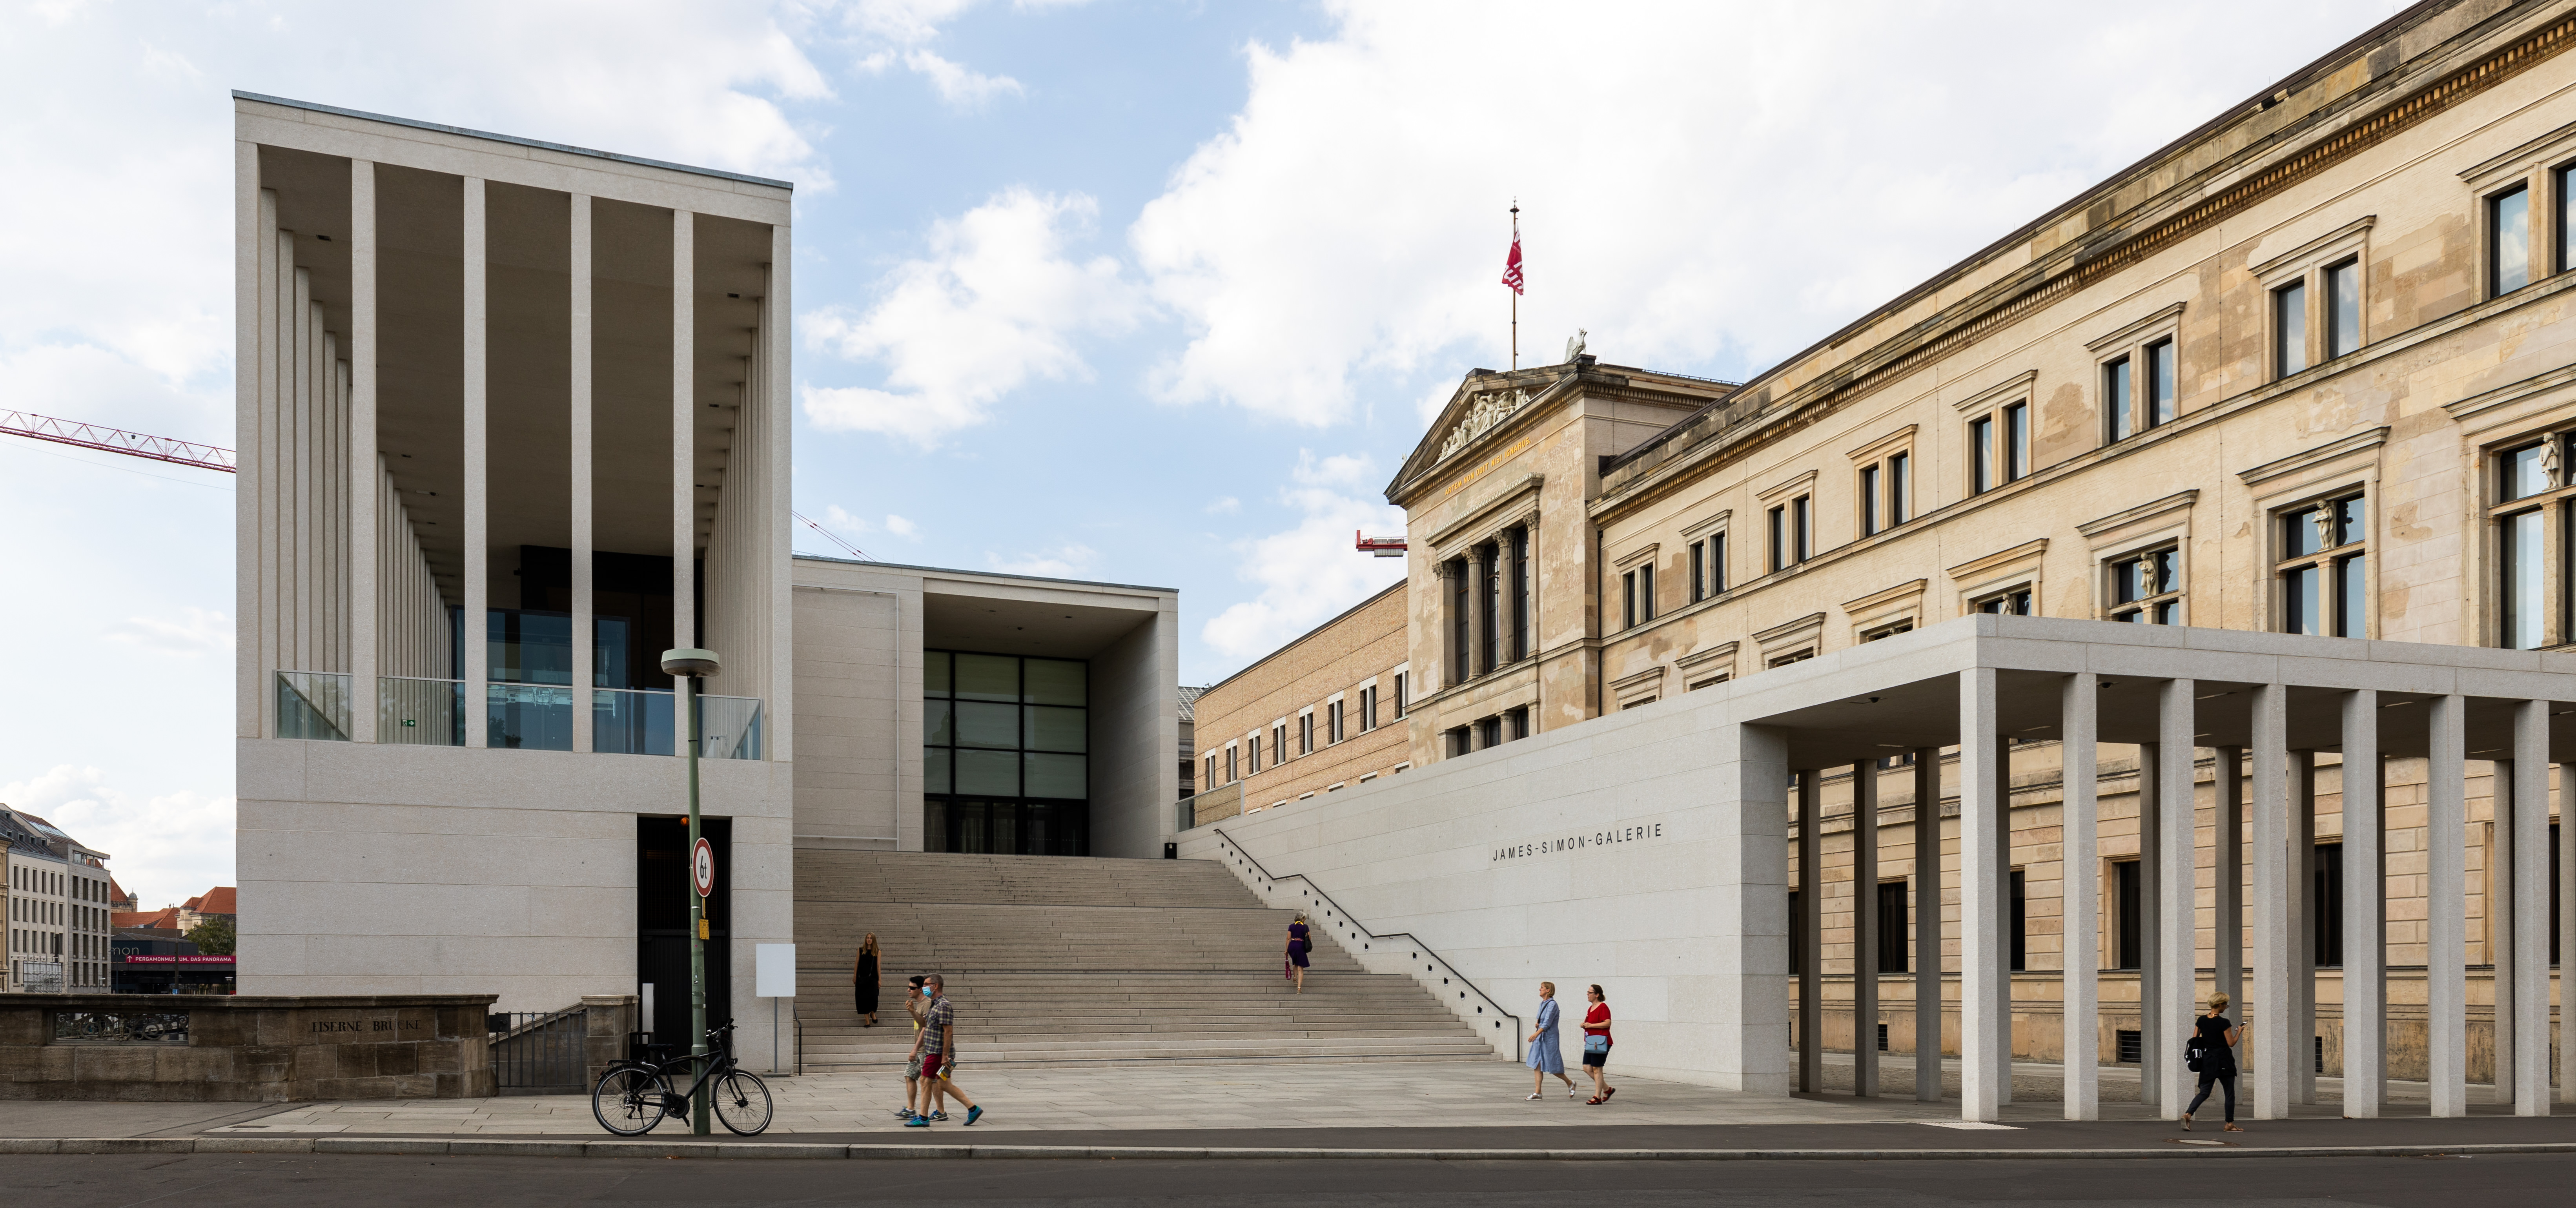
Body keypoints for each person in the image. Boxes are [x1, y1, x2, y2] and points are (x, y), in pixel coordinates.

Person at [905, 974, 984, 1127]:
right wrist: (913, 1012)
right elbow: (925, 1024)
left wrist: (945, 1056)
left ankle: (923, 1118)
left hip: (938, 1052)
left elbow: (948, 1031)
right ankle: (973, 1109)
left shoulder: (943, 1005)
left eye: (926, 984)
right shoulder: (934, 1004)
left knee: (925, 1081)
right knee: (943, 1085)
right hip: (936, 1052)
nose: (924, 988)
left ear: (935, 986)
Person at [2181, 991, 2243, 1132]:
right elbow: (2231, 1043)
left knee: (2204, 1092)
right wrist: (2239, 1031)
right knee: (2229, 1093)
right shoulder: (2224, 1023)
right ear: (2220, 1005)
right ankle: (2229, 1124)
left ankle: (2188, 1114)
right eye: (2225, 1005)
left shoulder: (2201, 1020)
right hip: (2224, 1061)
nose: (2226, 1007)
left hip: (2208, 1060)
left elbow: (2195, 1039)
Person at [1525, 981, 1577, 1100]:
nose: (1540, 989)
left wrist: (1536, 1033)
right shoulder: (1542, 1004)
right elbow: (1542, 1021)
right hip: (1540, 1038)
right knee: (1537, 1064)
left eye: (1542, 988)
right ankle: (1538, 1092)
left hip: (1549, 1039)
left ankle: (1570, 1083)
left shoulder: (1553, 1004)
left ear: (1548, 990)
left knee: (1552, 1065)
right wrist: (1537, 1025)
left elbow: (1548, 1023)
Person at [893, 975, 931, 1121]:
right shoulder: (919, 1004)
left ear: (920, 989)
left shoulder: (927, 1004)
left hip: (925, 1049)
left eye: (912, 988)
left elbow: (925, 1026)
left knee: (933, 1083)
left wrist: (915, 1049)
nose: (909, 990)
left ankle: (940, 1111)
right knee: (909, 1075)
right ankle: (910, 1109)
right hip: (919, 1049)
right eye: (908, 987)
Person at [1580, 984, 1616, 1104]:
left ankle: (1597, 1097)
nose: (1587, 994)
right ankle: (1607, 1089)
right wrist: (1584, 1025)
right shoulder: (1590, 1009)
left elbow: (1607, 1023)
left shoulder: (1603, 1007)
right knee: (1587, 1068)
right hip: (1591, 1042)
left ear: (1597, 995)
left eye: (1590, 993)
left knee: (1597, 1069)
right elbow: (1589, 1023)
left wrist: (1591, 1026)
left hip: (1601, 1043)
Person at [853, 933, 882, 1027]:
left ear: (874, 940)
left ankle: (873, 1013)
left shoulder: (877, 952)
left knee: (874, 998)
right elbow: (857, 963)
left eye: (871, 938)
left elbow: (878, 966)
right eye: (868, 938)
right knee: (863, 999)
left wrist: (880, 980)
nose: (869, 940)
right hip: (862, 978)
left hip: (873, 979)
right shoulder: (860, 950)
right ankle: (867, 1021)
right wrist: (855, 976)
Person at [1284, 913, 1312, 993]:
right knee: (1301, 968)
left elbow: (1288, 938)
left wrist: (1287, 950)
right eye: (1305, 919)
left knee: (1296, 962)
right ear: (1302, 918)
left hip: (1292, 947)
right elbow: (1309, 938)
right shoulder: (1305, 927)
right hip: (1300, 946)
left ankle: (1295, 977)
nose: (1305, 920)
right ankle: (1299, 988)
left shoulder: (1291, 926)